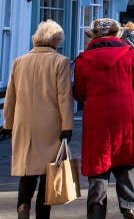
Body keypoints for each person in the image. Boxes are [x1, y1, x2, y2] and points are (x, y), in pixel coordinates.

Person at [73, 18, 134, 219]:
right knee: (125, 160)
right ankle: (128, 206)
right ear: (117, 33)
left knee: (98, 164)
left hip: (96, 117)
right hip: (125, 114)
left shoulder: (83, 59)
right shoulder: (129, 54)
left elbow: (79, 93)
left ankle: (96, 211)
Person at [2, 20, 73, 219]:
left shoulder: (19, 61)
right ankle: (43, 214)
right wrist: (67, 126)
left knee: (28, 172)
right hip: (50, 125)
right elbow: (64, 97)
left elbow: (11, 96)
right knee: (48, 175)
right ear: (56, 40)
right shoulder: (60, 62)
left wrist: (8, 123)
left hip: (23, 124)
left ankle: (23, 207)